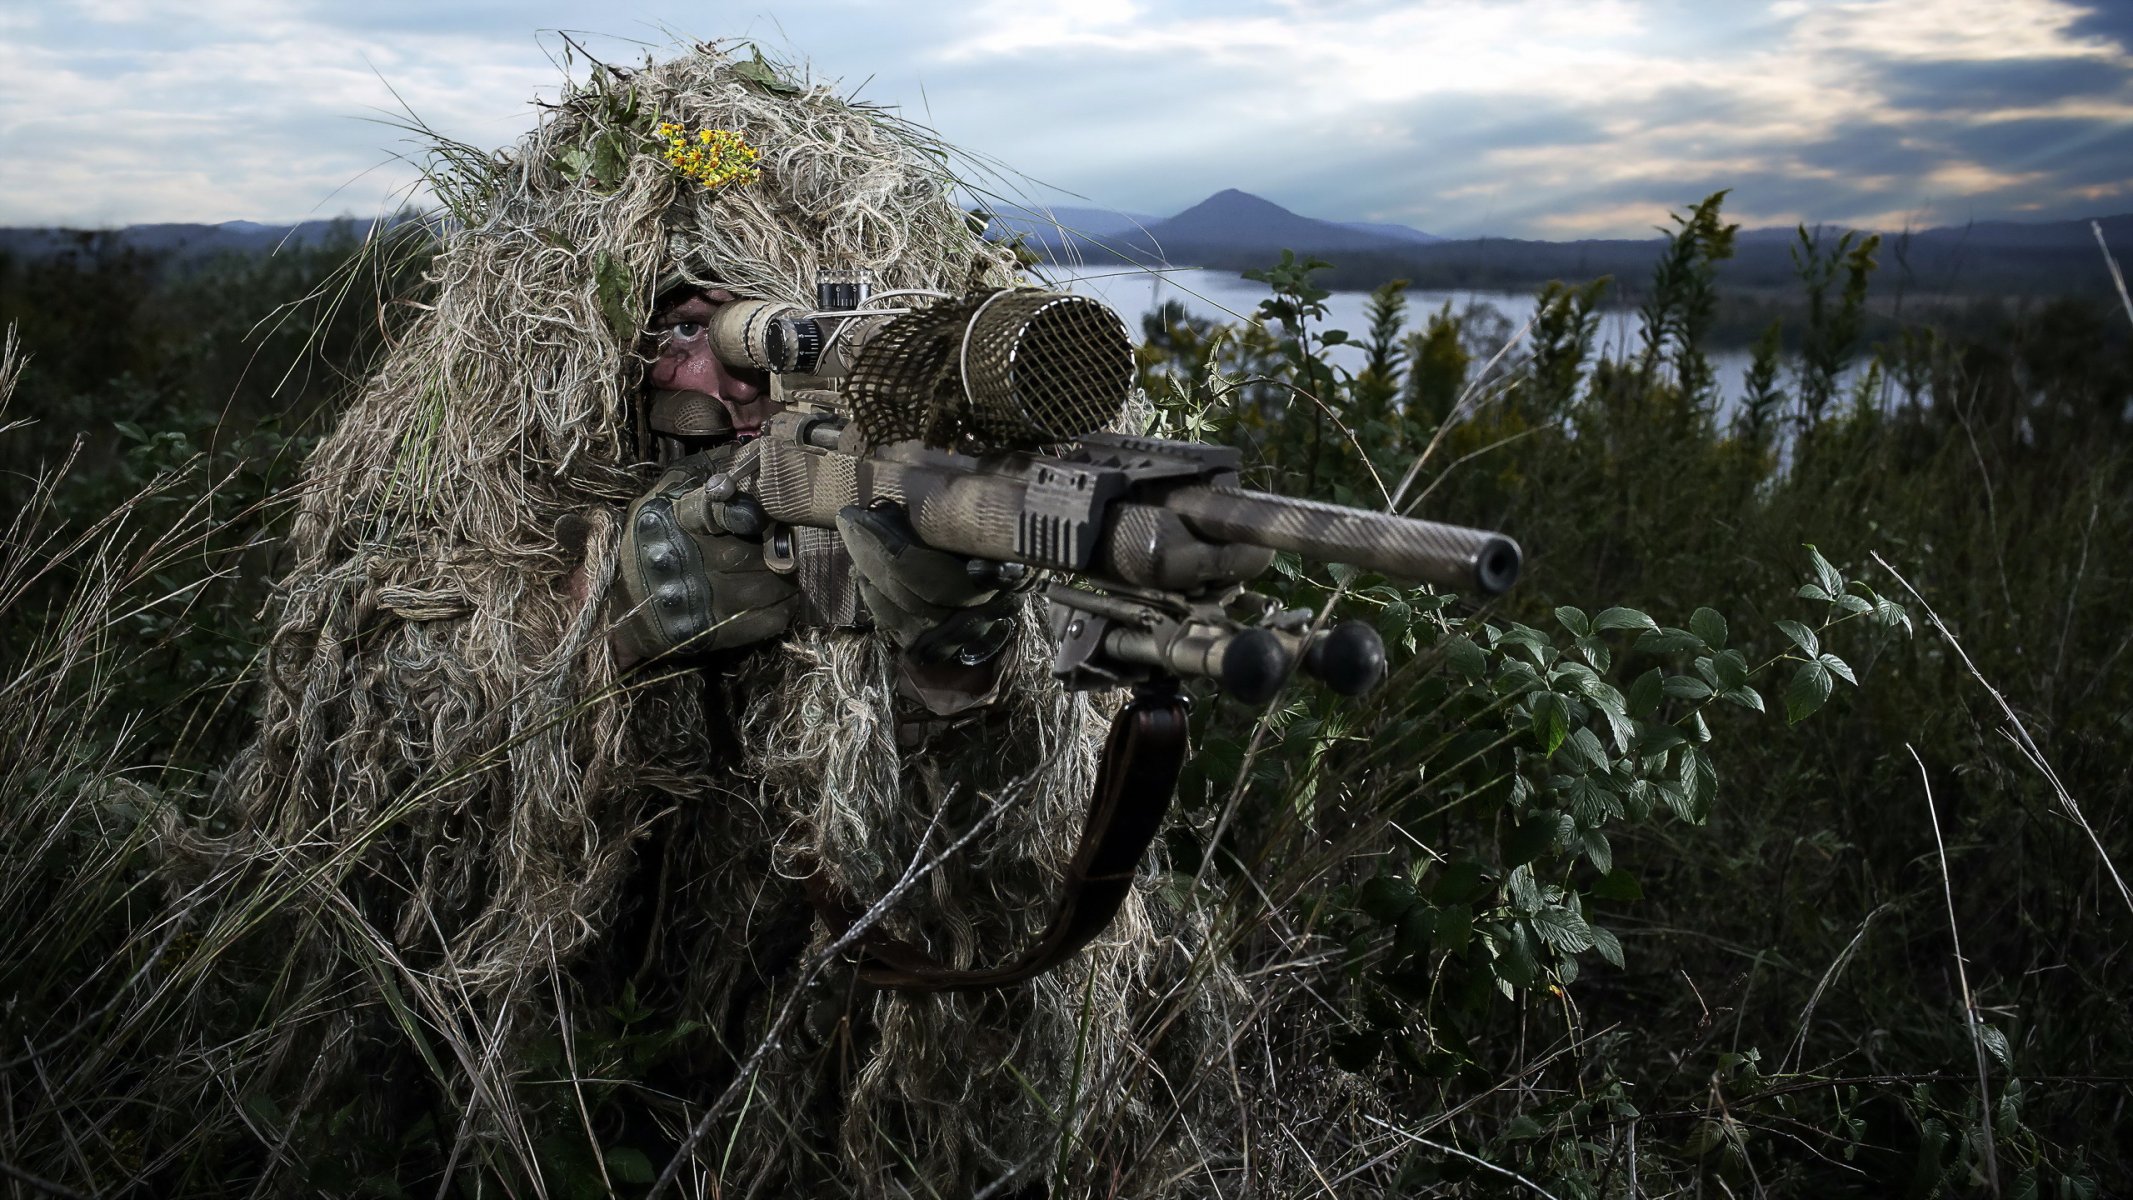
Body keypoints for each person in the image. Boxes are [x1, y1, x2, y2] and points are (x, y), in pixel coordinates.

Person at [215, 43, 1243, 1197]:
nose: (732, 377)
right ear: (579, 336)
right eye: (692, 326)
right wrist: (625, 604)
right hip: (533, 1060)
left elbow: (985, 859)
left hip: (797, 1058)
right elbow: (382, 733)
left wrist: (949, 656)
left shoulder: (922, 472)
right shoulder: (460, 461)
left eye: (754, 340)